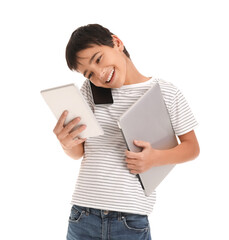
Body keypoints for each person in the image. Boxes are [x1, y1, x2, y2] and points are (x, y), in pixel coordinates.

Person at [53, 24, 200, 240]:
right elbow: (78, 153)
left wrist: (155, 158)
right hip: (82, 214)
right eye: (89, 74)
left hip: (130, 220)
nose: (99, 74)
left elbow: (192, 148)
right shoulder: (90, 92)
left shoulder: (165, 92)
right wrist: (66, 144)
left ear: (117, 43)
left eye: (98, 59)